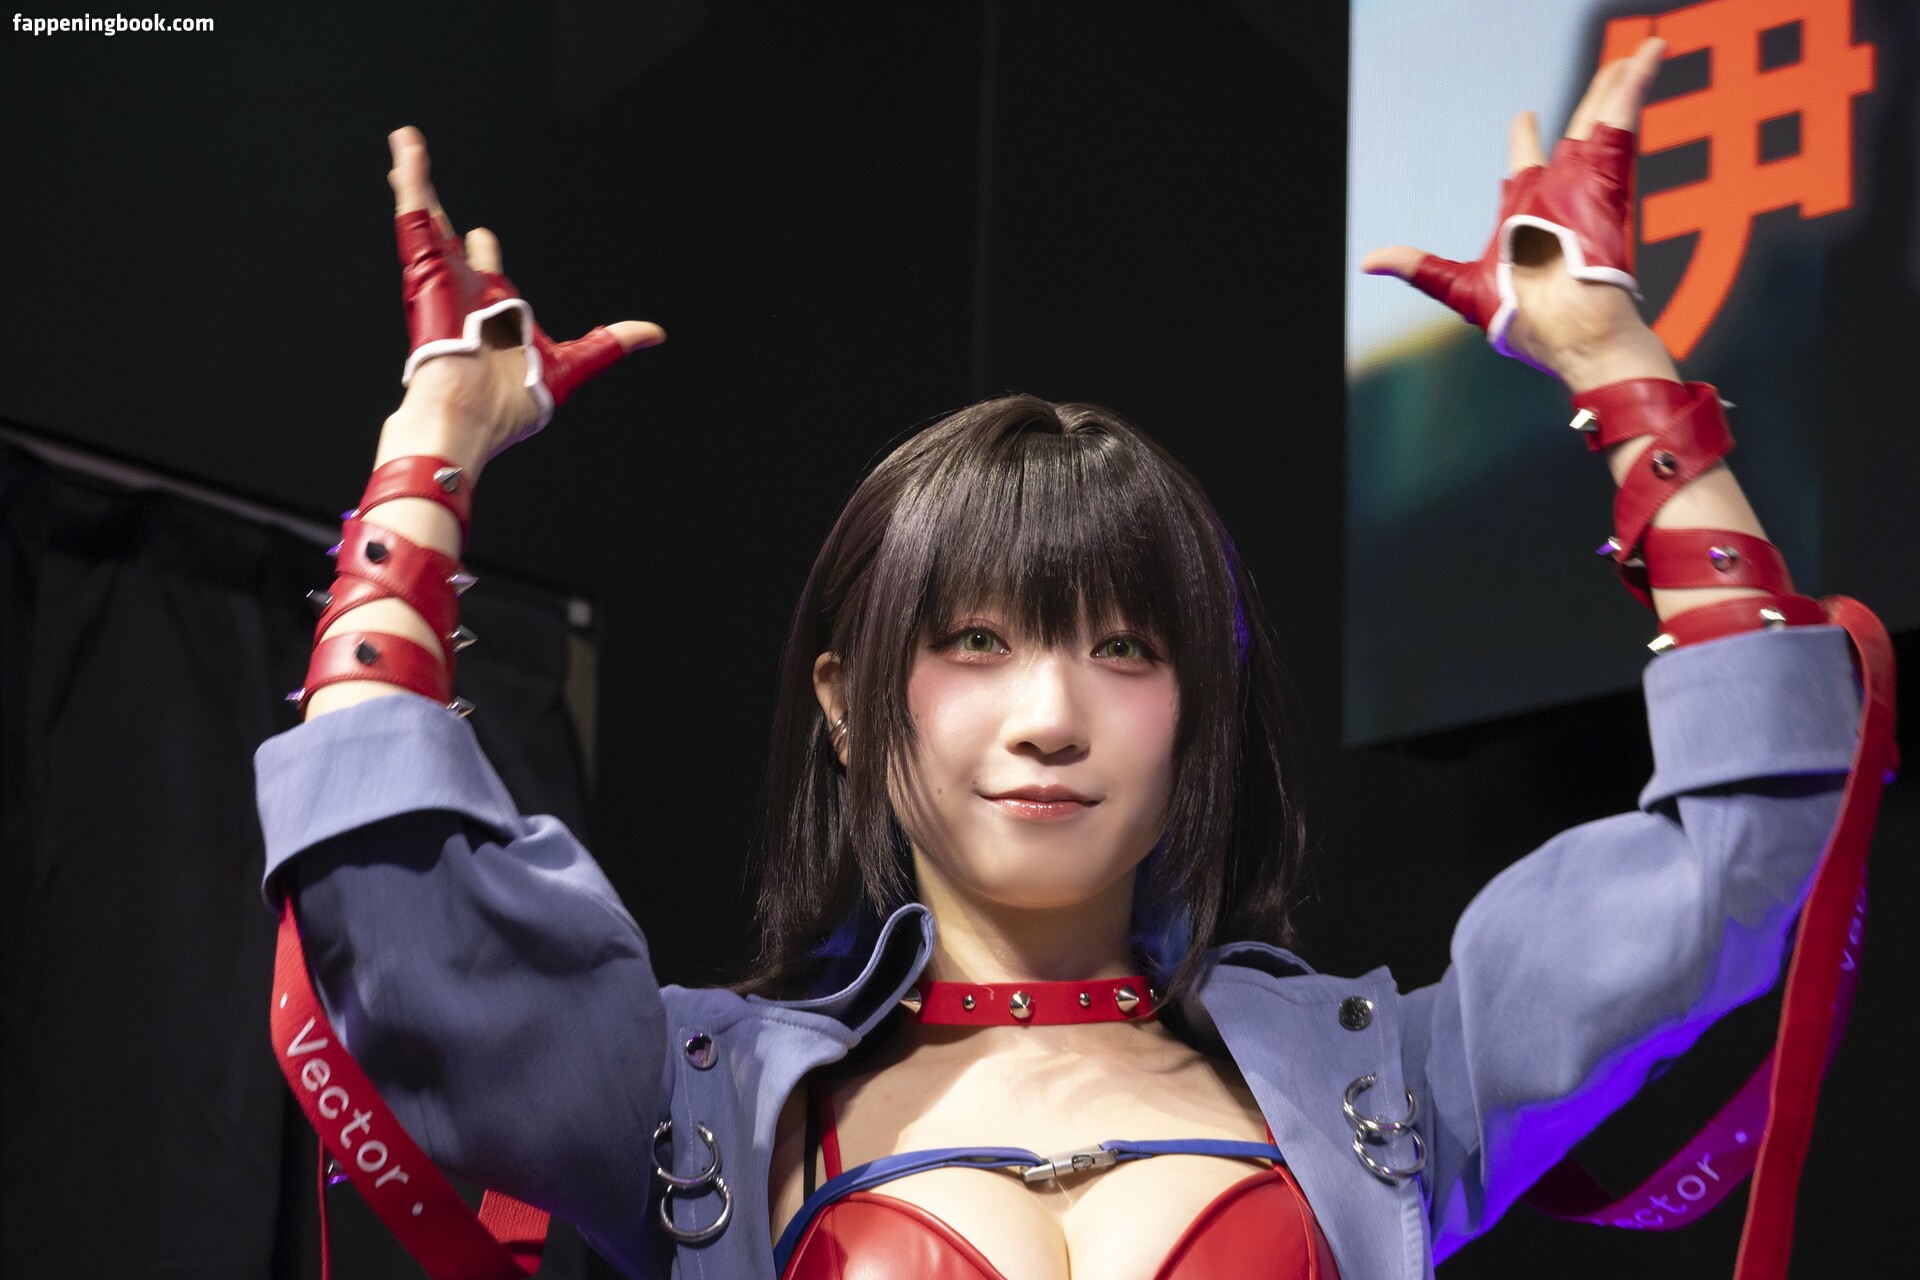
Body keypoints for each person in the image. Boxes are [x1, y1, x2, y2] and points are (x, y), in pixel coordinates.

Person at [258, 39, 1874, 1280]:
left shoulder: (1397, 1088)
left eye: (1124, 649)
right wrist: (431, 446)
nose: (1051, 716)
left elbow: (1749, 847)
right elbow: (382, 898)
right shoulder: (697, 1100)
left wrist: (1618, 364)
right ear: (846, 699)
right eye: (976, 643)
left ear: (1195, 710)